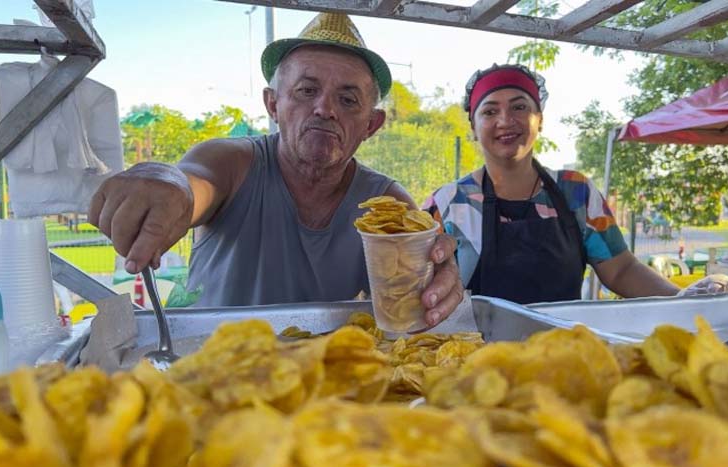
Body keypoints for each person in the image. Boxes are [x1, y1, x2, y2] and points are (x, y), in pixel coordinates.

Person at [89, 12, 464, 327]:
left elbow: (417, 295)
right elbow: (193, 183)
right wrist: (168, 182)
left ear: (371, 124)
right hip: (208, 377)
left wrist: (436, 283)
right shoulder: (230, 163)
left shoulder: (387, 204)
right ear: (272, 104)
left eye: (348, 99)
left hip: (322, 391)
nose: (325, 109)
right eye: (306, 91)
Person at [424, 63, 728, 304]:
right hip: (474, 365)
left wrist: (681, 300)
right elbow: (419, 287)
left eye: (520, 107)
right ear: (474, 128)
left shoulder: (576, 192)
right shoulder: (448, 204)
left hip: (564, 359)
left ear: (539, 119)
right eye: (490, 111)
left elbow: (622, 270)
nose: (506, 120)